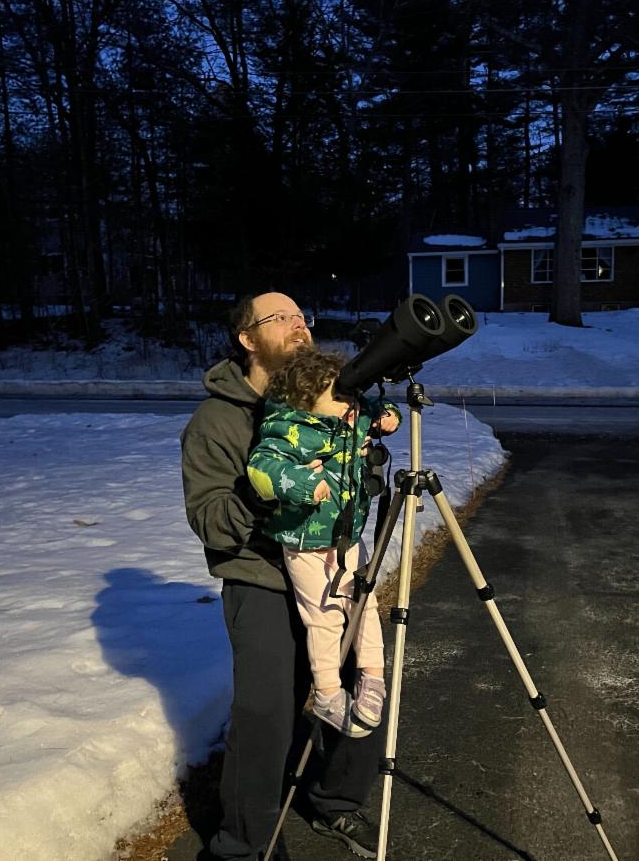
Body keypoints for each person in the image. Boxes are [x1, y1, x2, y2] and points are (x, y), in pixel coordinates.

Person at [180, 293, 389, 861]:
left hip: (332, 564)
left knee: (367, 684)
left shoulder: (329, 393)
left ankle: (336, 801)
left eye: (303, 316)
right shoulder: (216, 420)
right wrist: (263, 490)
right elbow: (210, 521)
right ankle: (242, 845)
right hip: (259, 575)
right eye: (282, 318)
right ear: (248, 338)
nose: (300, 326)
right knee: (265, 712)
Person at [246, 347, 399, 739]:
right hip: (304, 540)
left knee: (364, 603)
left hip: (347, 535)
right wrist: (301, 483)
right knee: (324, 616)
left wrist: (388, 417)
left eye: (352, 395)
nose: (351, 404)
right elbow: (262, 469)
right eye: (340, 396)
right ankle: (329, 693)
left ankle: (372, 676)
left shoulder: (352, 414)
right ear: (307, 397)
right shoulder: (288, 427)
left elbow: (378, 406)